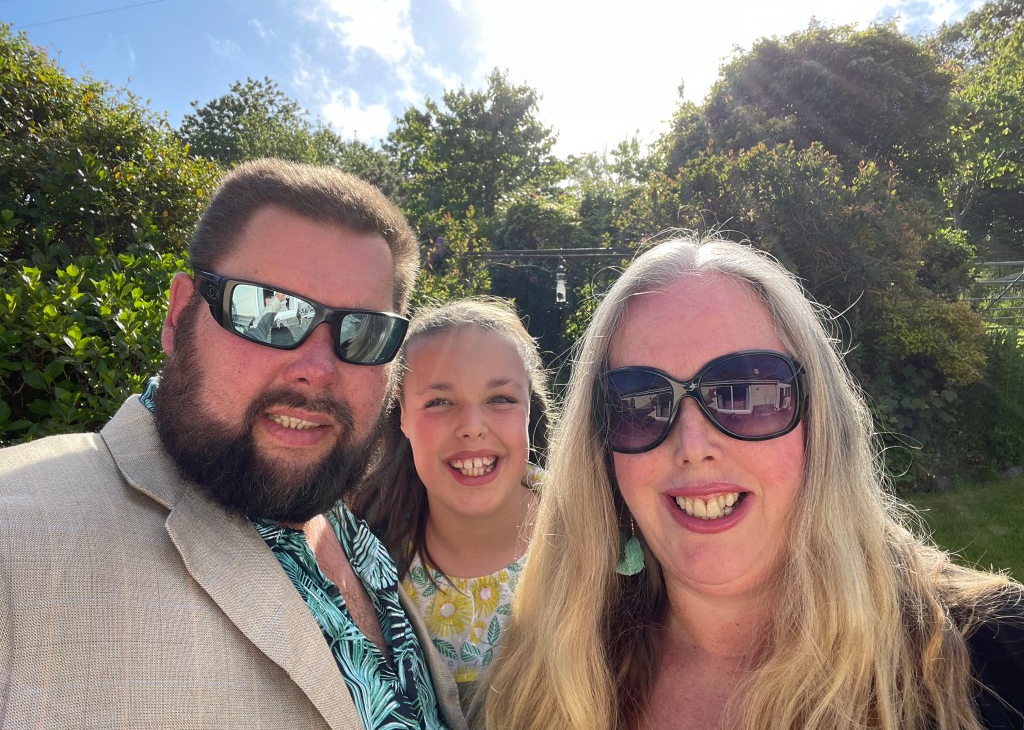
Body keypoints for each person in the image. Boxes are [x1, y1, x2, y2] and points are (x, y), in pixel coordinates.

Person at [475, 236, 1024, 730]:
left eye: (744, 393)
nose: (692, 445)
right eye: (641, 402)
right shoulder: (544, 675)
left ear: (819, 421)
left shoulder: (996, 652)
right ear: (601, 449)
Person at [0, 159, 467, 730]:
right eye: (269, 311)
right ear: (179, 314)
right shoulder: (18, 534)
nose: (319, 368)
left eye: (364, 332)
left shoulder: (358, 532)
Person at [351, 297, 553, 709]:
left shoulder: (598, 536)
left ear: (528, 408)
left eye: (500, 399)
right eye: (439, 402)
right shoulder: (365, 564)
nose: (472, 428)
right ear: (403, 417)